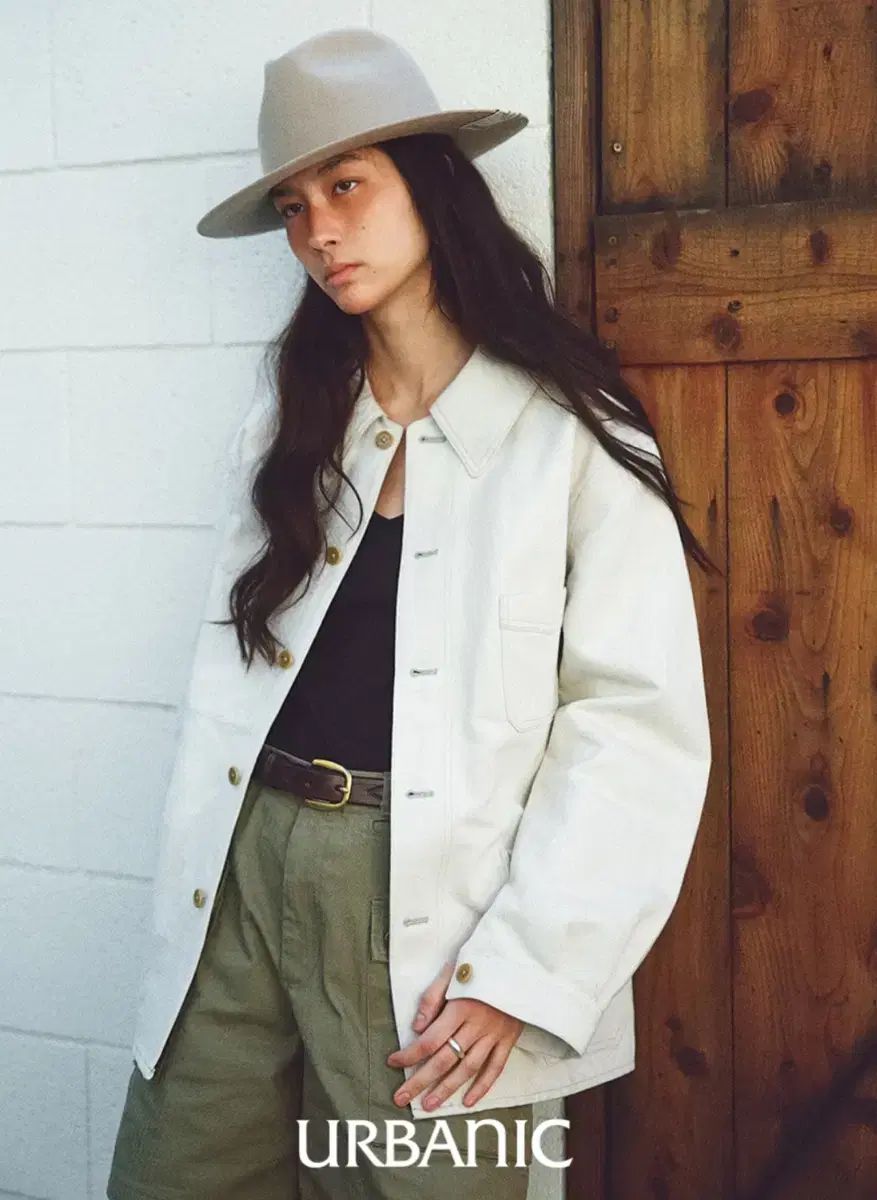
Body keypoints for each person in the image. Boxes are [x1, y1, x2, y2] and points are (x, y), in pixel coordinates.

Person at [108, 27, 717, 1200]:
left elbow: (632, 726)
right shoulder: (292, 415)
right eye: (293, 206)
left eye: (347, 186)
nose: (318, 232)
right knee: (177, 1173)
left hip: (431, 908)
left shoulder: (572, 435)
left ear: (430, 186)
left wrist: (524, 971)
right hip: (245, 868)